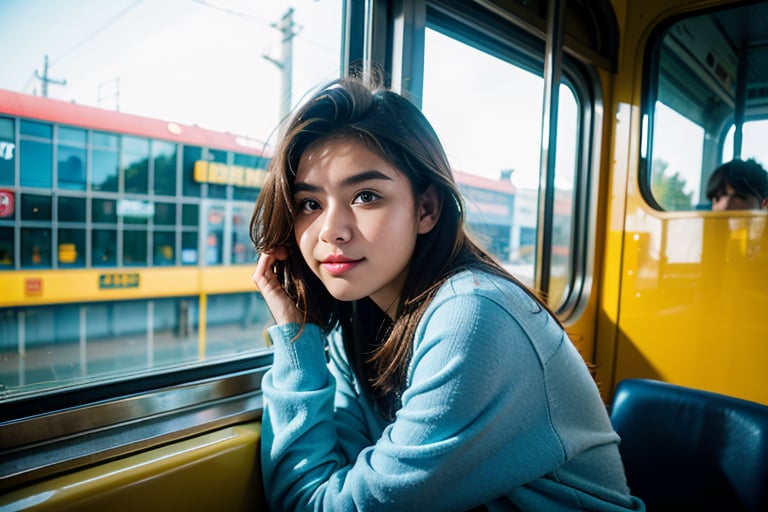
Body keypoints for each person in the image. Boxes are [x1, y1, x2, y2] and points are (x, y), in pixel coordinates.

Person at [250, 74, 644, 511]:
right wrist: (298, 334)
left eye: (365, 196)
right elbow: (331, 482)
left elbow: (317, 506)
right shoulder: (357, 325)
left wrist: (299, 352)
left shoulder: (473, 315)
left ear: (426, 209)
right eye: (310, 204)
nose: (330, 231)